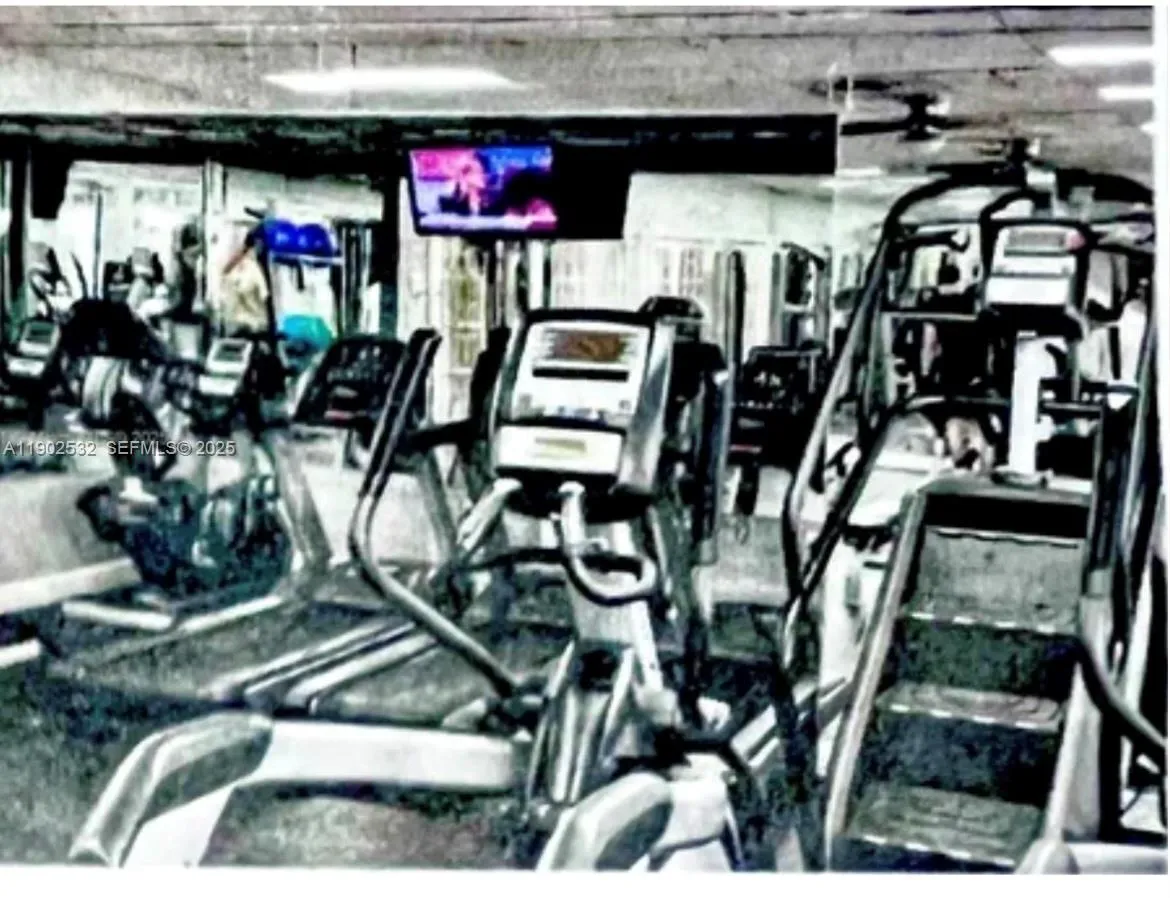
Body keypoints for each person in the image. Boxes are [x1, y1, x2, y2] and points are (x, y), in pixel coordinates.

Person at [217, 226, 271, 335]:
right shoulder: (255, 234)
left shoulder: (258, 235)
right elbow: (241, 252)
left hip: (262, 269)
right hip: (260, 269)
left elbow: (242, 251)